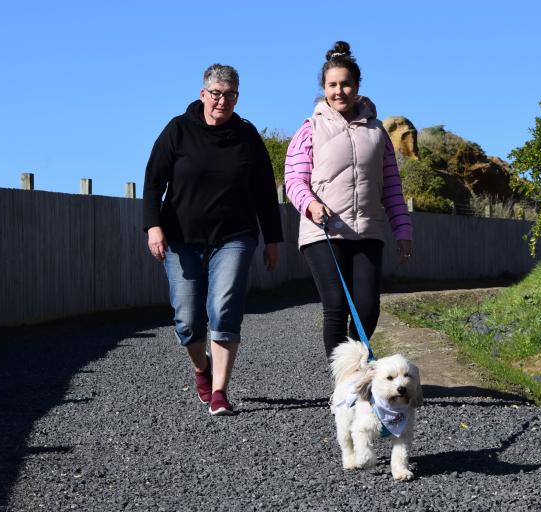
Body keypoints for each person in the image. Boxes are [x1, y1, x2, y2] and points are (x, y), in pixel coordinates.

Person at [143, 63, 283, 416]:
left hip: (234, 235)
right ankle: (201, 368)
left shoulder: (247, 136)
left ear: (238, 97)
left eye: (230, 95)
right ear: (203, 94)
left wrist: (272, 239)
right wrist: (153, 226)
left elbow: (265, 191)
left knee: (223, 309)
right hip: (181, 235)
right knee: (188, 321)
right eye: (216, 94)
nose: (222, 101)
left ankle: (220, 390)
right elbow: (153, 181)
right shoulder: (178, 130)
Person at [284, 41, 412, 360]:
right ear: (323, 88)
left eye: (345, 84)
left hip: (367, 231)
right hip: (324, 231)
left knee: (367, 308)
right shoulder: (309, 129)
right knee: (337, 305)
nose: (339, 91)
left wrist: (403, 231)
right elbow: (294, 180)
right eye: (332, 85)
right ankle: (343, 385)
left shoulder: (378, 132)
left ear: (356, 87)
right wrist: (311, 205)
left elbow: (392, 187)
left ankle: (355, 365)